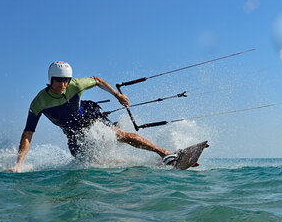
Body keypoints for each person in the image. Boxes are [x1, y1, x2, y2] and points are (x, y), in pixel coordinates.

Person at [12, 61, 176, 172]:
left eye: (66, 80)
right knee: (91, 163)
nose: (63, 84)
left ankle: (164, 153)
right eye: (58, 80)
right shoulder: (39, 102)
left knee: (120, 136)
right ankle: (143, 165)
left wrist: (117, 95)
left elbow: (97, 80)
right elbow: (27, 133)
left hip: (89, 116)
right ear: (50, 79)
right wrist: (19, 164)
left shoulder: (75, 85)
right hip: (72, 132)